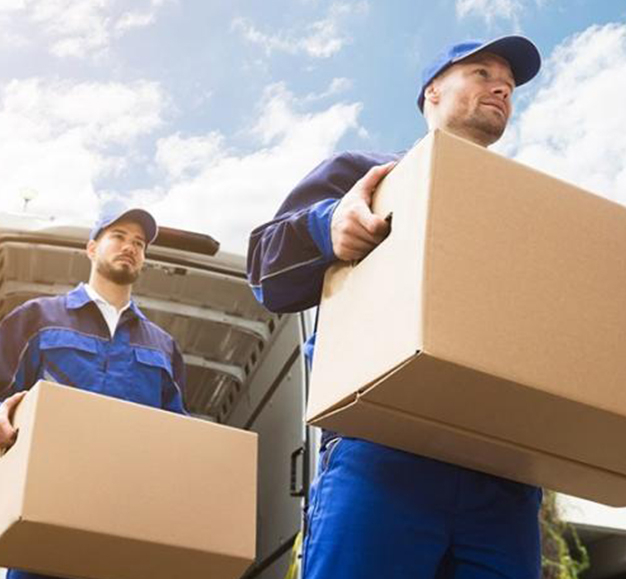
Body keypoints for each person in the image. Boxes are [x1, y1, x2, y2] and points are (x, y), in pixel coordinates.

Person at [247, 36, 544, 579]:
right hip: (383, 452)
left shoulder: (528, 211)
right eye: (482, 73)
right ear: (433, 92)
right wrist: (327, 226)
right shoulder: (366, 175)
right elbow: (265, 274)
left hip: (504, 475)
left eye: (508, 84)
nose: (502, 87)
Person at [0, 207, 187, 579]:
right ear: (91, 248)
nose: (130, 247)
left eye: (139, 243)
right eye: (118, 236)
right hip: (41, 523)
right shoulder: (37, 318)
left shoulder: (163, 347)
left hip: (125, 531)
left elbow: (178, 435)